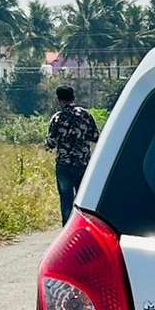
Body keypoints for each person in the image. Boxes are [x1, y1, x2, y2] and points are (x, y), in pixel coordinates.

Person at [45, 85, 100, 225]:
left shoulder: (57, 118)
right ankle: (83, 228)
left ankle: (67, 230)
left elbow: (51, 142)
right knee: (84, 201)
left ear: (59, 100)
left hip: (64, 165)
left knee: (66, 200)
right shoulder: (85, 115)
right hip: (82, 164)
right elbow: (95, 137)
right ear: (73, 97)